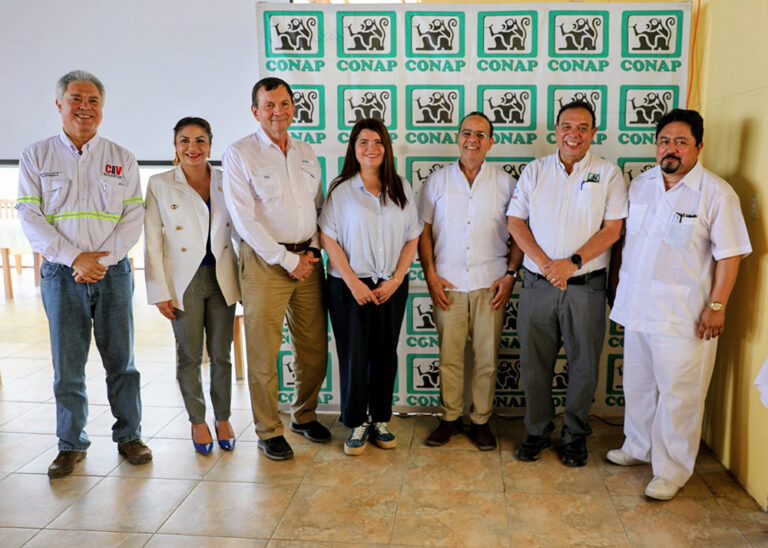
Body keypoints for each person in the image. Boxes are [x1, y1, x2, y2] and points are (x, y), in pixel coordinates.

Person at [607, 109, 751, 500]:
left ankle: (672, 470)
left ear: (698, 147)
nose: (671, 149)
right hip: (638, 308)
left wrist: (717, 306)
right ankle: (638, 446)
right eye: (664, 141)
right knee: (638, 385)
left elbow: (730, 255)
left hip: (683, 317)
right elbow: (626, 243)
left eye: (681, 142)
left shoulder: (716, 193)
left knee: (680, 396)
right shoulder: (641, 185)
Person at [16, 70, 152, 478]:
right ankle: (70, 444)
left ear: (102, 108)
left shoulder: (121, 157)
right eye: (76, 99)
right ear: (60, 104)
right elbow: (30, 216)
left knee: (122, 362)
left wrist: (101, 262)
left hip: (113, 273)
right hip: (61, 274)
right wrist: (75, 258)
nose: (84, 107)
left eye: (93, 100)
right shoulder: (36, 156)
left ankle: (129, 436)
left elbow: (133, 217)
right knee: (68, 365)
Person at [507, 100, 627, 467]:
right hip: (537, 285)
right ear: (556, 131)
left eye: (582, 127)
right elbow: (515, 222)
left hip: (585, 286)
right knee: (534, 364)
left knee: (584, 366)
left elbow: (613, 230)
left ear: (593, 133)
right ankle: (537, 431)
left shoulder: (608, 174)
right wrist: (547, 266)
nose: (573, 134)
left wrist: (571, 263)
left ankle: (575, 436)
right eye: (567, 126)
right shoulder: (535, 170)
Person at [222, 77, 329, 461]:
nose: (277, 112)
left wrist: (311, 252)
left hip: (307, 261)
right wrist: (287, 260)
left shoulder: (305, 151)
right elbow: (244, 219)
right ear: (255, 111)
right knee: (264, 354)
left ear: (294, 107)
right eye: (268, 105)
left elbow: (316, 206)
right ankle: (268, 430)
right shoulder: (240, 154)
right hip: (266, 263)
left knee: (313, 349)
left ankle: (304, 415)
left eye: (284, 103)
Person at [418, 111, 522, 451]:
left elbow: (520, 232)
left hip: (490, 284)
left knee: (487, 359)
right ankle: (449, 418)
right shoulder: (437, 181)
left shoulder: (506, 184)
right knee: (448, 357)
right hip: (447, 283)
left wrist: (510, 275)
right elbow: (424, 231)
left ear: (491, 141)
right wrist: (430, 274)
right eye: (466, 133)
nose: (472, 140)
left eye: (480, 134)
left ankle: (480, 420)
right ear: (457, 138)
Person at [319, 118, 421, 456]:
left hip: (391, 284)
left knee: (384, 354)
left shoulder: (401, 187)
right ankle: (356, 421)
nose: (371, 148)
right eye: (363, 142)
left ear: (386, 147)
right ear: (353, 147)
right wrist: (352, 282)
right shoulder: (341, 189)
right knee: (353, 355)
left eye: (377, 142)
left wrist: (396, 279)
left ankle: (379, 418)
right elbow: (328, 238)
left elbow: (413, 236)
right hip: (348, 286)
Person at [144, 117, 241, 455]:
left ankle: (223, 418)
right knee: (189, 356)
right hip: (182, 282)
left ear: (210, 145)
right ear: (175, 146)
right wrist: (159, 291)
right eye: (184, 140)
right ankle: (198, 421)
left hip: (222, 277)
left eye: (200, 140)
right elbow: (153, 241)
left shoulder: (227, 180)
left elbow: (240, 230)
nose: (192, 147)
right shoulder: (159, 183)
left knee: (221, 355)